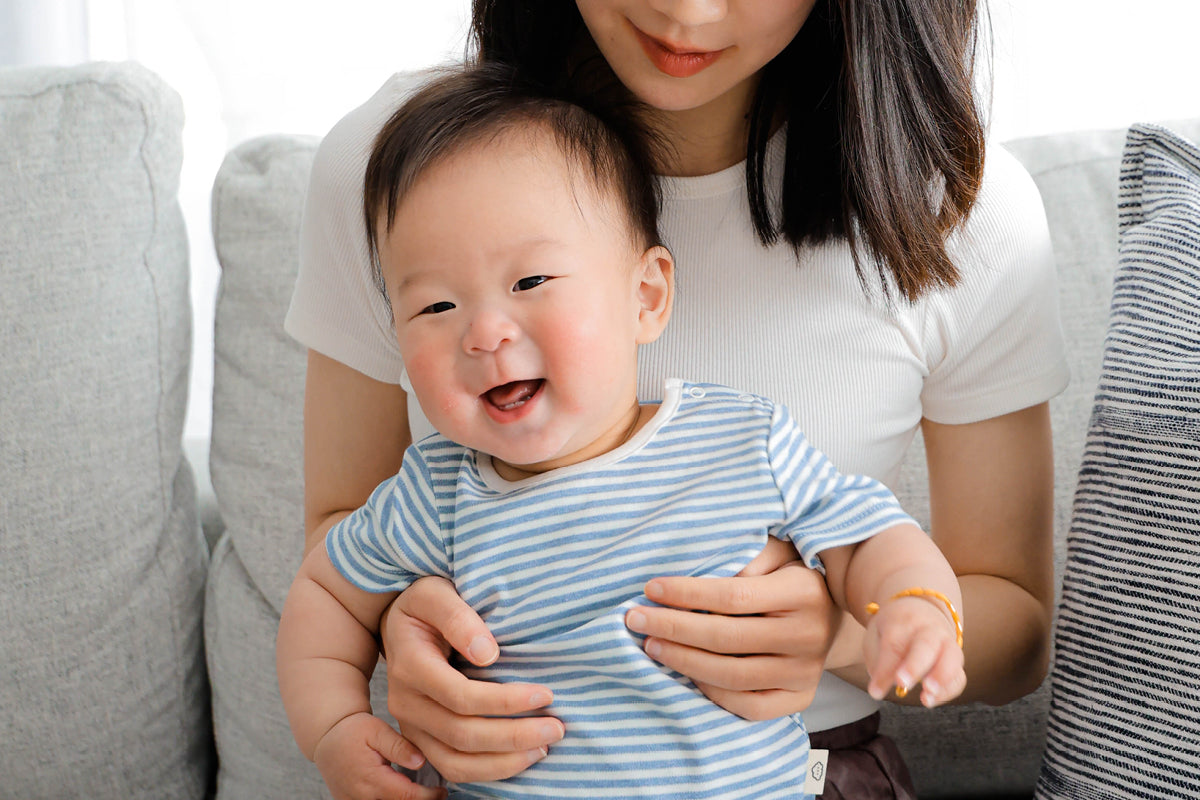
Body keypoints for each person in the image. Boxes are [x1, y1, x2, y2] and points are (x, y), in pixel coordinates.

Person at [285, 1, 1068, 797]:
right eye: (439, 309)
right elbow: (339, 554)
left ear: (650, 291)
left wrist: (843, 635)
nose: (687, 11)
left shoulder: (955, 208)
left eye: (531, 283)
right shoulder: (404, 165)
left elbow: (1017, 632)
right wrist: (388, 645)